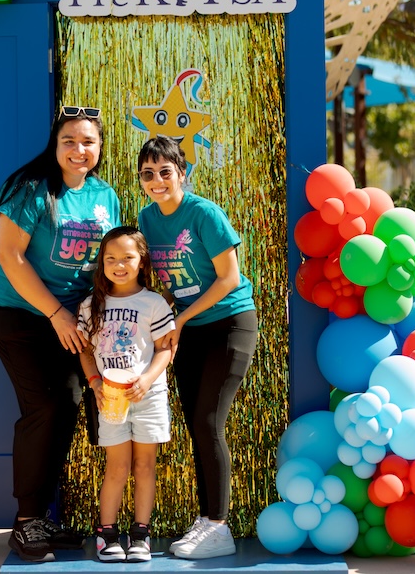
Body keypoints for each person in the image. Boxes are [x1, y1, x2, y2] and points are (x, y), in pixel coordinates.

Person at [0, 105, 122, 563]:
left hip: (71, 316)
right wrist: (56, 313)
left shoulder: (105, 195)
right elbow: (10, 256)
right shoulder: (31, 188)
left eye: (88, 142)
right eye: (69, 141)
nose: (79, 150)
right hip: (17, 309)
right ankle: (26, 521)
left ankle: (43, 518)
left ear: (99, 148)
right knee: (45, 405)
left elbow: (107, 260)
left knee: (71, 406)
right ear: (55, 145)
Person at [135, 136, 258, 560]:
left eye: (165, 172)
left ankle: (220, 527)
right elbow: (161, 282)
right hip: (190, 329)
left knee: (209, 421)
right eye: (148, 174)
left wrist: (180, 319)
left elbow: (228, 277)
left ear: (181, 174)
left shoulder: (203, 213)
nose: (157, 181)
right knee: (196, 426)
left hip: (229, 324)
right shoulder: (146, 220)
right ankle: (207, 520)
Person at [77, 226, 175, 563]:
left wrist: (147, 379)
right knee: (117, 467)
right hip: (111, 399)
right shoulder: (91, 305)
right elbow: (85, 351)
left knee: (145, 465)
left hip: (148, 396)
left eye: (127, 257)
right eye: (111, 259)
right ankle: (108, 534)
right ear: (102, 264)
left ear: (142, 261)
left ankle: (141, 534)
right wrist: (94, 383)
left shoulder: (154, 303)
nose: (119, 265)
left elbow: (166, 349)